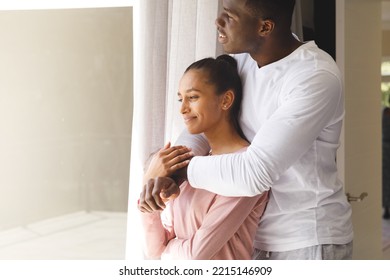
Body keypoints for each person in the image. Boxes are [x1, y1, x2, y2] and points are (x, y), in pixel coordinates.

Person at [139, 0, 353, 260]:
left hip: (307, 238)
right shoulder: (241, 64)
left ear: (265, 27)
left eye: (230, 16)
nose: (218, 21)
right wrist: (169, 169)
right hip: (254, 236)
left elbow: (255, 172)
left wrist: (180, 171)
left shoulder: (314, 76)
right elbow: (204, 124)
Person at [138, 55, 269, 260]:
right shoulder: (193, 168)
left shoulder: (242, 170)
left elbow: (196, 256)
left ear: (225, 100)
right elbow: (154, 252)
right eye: (181, 99)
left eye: (193, 97)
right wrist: (149, 193)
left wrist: (167, 249)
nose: (182, 109)